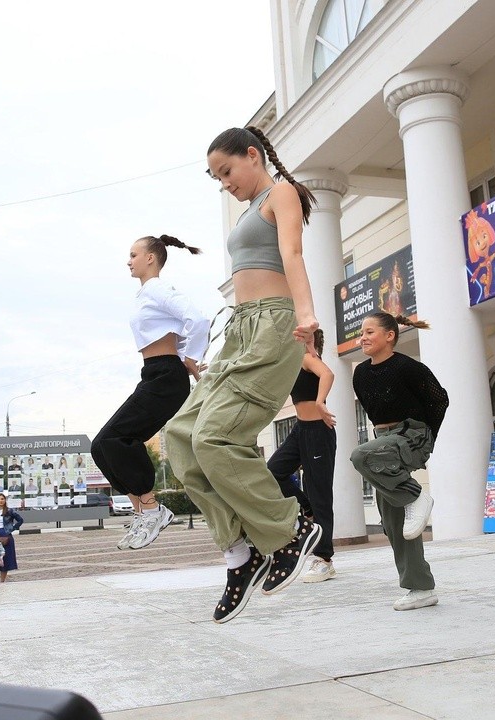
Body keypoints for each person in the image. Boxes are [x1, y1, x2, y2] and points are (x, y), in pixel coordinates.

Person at [166, 125, 322, 624]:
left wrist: (306, 315)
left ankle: (290, 529)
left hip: (275, 323)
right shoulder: (249, 208)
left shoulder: (282, 193)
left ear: (252, 156)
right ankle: (239, 553)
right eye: (217, 178)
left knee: (215, 438)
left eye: (227, 171)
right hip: (239, 329)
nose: (225, 183)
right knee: (181, 435)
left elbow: (293, 256)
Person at [91, 234, 209, 552]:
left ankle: (153, 508)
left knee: (112, 440)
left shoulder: (157, 288)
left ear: (151, 258)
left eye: (133, 254)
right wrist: (183, 351)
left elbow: (197, 319)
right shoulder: (146, 294)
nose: (128, 261)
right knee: (102, 447)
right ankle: (144, 512)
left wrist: (190, 357)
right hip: (154, 374)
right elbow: (174, 330)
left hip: (165, 377)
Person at [350, 311, 449, 611]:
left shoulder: (409, 368)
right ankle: (420, 588)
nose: (363, 337)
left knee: (359, 455)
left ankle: (418, 497)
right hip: (385, 440)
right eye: (361, 333)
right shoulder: (360, 374)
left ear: (389, 335)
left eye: (369, 332)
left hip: (412, 434)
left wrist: (426, 437)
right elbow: (373, 411)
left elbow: (439, 400)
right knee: (394, 519)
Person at [266, 328, 338, 582]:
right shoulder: (296, 360)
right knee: (273, 472)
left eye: (299, 336)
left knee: (320, 494)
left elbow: (328, 373)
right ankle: (305, 508)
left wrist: (320, 402)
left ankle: (324, 559)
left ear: (311, 339)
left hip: (318, 431)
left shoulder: (309, 359)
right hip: (301, 430)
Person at [0, 493, 23, 583]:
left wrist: (13, 528)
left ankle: (2, 580)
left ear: (5, 500)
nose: (0, 501)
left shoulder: (10, 511)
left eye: (2, 499)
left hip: (6, 536)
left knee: (5, 558)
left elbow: (20, 520)